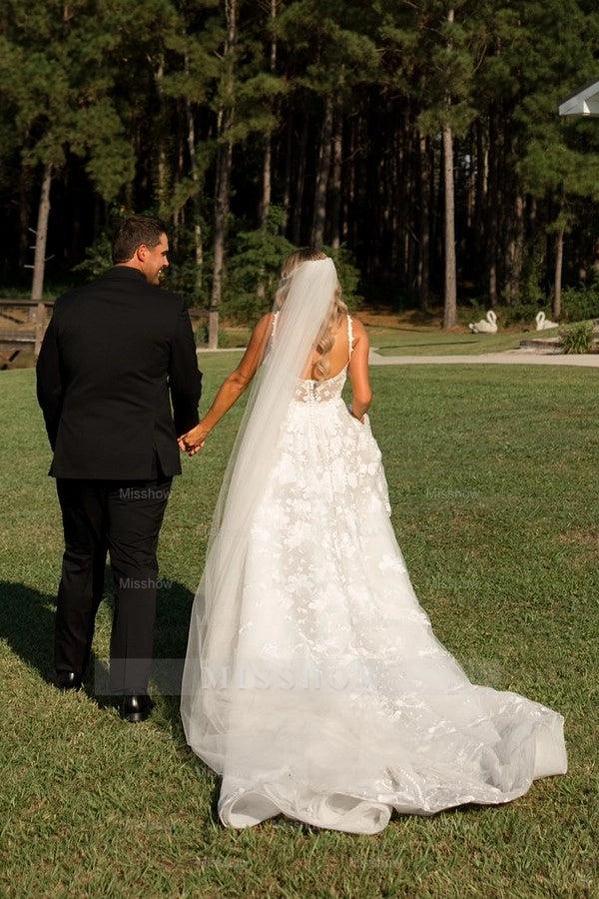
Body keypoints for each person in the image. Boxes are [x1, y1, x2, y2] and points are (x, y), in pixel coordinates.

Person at [178, 249, 567, 835]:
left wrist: (205, 427)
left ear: (292, 282)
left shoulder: (275, 325)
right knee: (345, 547)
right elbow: (363, 396)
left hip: (284, 446)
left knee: (277, 546)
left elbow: (239, 378)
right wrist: (348, 422)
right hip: (332, 445)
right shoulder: (355, 329)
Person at [36, 215, 203, 723]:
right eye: (164, 253)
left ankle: (67, 670)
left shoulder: (70, 305)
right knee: (135, 572)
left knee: (80, 560)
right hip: (141, 461)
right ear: (141, 254)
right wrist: (186, 425)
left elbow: (49, 389)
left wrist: (67, 440)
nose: (167, 262)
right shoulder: (168, 308)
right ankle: (130, 693)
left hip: (79, 459)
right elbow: (187, 381)